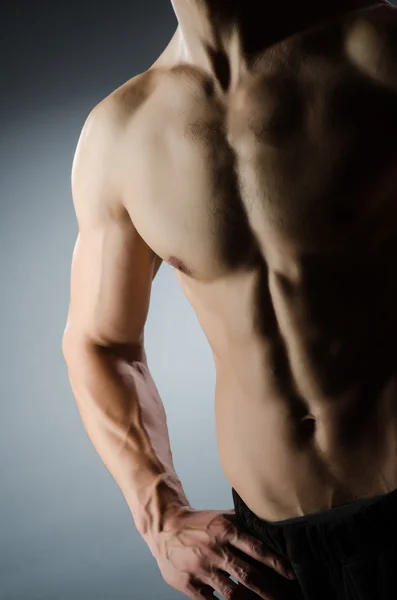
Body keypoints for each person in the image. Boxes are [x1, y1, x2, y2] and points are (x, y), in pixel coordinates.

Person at [62, 0, 397, 598]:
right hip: (272, 556)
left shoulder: (376, 50)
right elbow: (101, 344)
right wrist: (159, 514)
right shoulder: (121, 135)